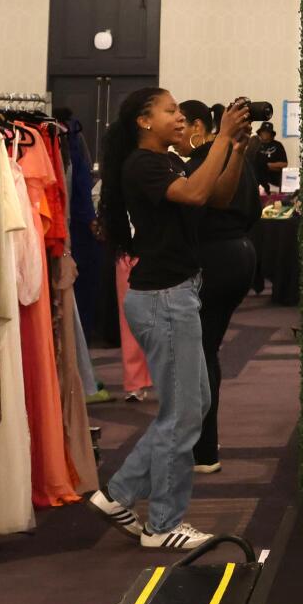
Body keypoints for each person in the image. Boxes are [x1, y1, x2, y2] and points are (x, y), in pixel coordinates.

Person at [90, 88, 249, 551]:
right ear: (144, 121)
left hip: (176, 294)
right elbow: (198, 192)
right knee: (180, 416)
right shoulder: (144, 164)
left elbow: (216, 197)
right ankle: (163, 524)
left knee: (191, 408)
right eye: (170, 111)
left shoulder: (170, 161)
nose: (180, 118)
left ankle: (117, 494)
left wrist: (235, 149)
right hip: (163, 299)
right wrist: (219, 137)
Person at [191, 98, 259, 474]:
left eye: (181, 120)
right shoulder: (238, 157)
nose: (178, 129)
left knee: (202, 352)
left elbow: (206, 199)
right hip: (240, 252)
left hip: (215, 258)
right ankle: (204, 445)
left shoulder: (209, 159)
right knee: (207, 351)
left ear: (200, 126)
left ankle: (203, 447)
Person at [253, 120, 288, 192]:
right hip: (257, 182)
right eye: (263, 131)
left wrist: (267, 165)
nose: (265, 134)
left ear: (271, 134)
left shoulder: (278, 145)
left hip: (274, 182)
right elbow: (252, 164)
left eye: (268, 132)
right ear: (260, 133)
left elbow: (284, 164)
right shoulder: (255, 145)